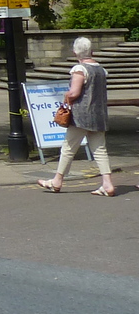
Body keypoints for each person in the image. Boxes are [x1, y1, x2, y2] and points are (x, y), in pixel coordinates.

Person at [39, 36, 116, 196]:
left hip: (81, 116)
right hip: (99, 115)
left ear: (75, 53)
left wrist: (66, 96)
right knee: (100, 149)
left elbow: (75, 92)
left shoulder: (79, 69)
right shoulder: (101, 70)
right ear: (91, 52)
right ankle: (107, 184)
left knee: (68, 149)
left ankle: (56, 181)